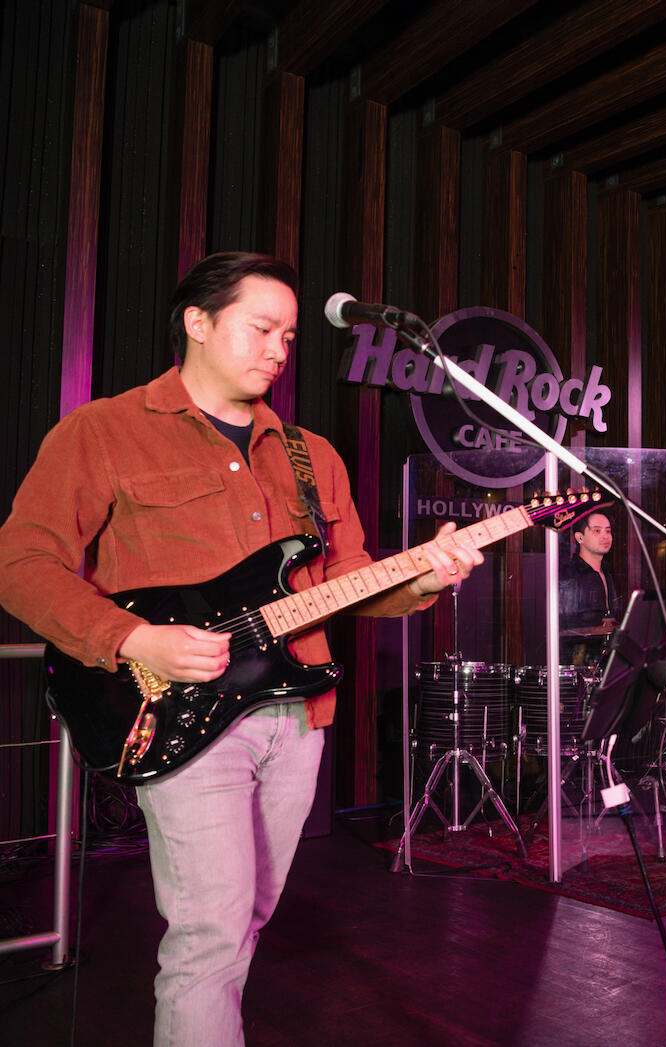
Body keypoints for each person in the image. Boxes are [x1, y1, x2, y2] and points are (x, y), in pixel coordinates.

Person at [0, 252, 481, 1047]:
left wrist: (425, 576)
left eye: (288, 337)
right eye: (261, 329)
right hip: (179, 713)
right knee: (212, 931)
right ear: (197, 321)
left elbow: (350, 580)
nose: (278, 351)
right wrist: (133, 637)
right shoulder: (104, 431)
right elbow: (21, 564)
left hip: (297, 716)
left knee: (245, 913)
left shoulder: (309, 454)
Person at [558, 509, 619, 664]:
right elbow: (565, 626)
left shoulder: (607, 571)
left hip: (606, 660)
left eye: (608, 531)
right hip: (578, 663)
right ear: (580, 537)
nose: (605, 536)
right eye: (597, 531)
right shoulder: (570, 574)